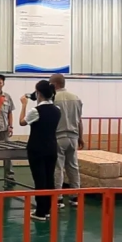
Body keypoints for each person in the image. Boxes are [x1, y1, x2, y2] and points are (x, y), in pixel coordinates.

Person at [19, 80, 61, 221]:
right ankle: (47, 209)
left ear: (38, 93)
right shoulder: (57, 110)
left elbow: (22, 122)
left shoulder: (36, 111)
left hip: (37, 149)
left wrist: (24, 105)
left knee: (39, 180)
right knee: (49, 179)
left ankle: (40, 212)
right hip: (52, 148)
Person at [49, 74, 84, 208]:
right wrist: (81, 137)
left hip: (58, 136)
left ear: (54, 84)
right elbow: (79, 120)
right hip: (73, 137)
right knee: (73, 166)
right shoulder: (76, 98)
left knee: (58, 167)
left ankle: (58, 198)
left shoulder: (52, 99)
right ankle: (75, 197)